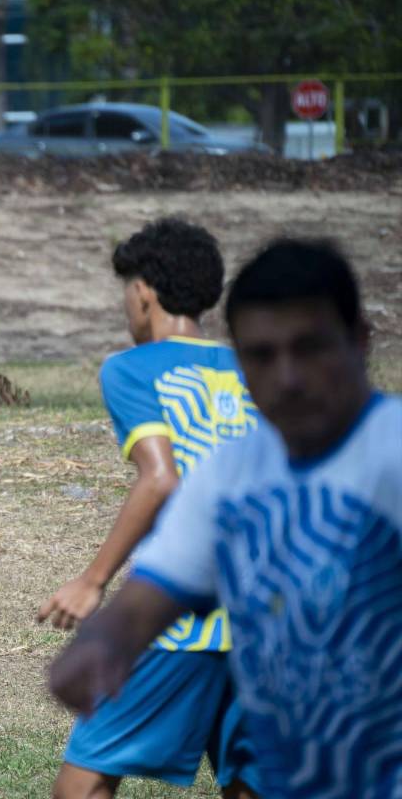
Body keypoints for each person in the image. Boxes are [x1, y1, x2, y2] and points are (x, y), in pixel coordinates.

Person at [48, 239, 401, 798]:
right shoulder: (233, 472)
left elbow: (159, 477)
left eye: (308, 348)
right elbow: (162, 586)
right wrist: (105, 642)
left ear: (359, 341)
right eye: (260, 356)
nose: (285, 377)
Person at [37, 218, 260, 797]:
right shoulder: (254, 371)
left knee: (83, 780)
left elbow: (160, 479)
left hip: (179, 613)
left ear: (144, 292)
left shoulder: (132, 368)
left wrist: (93, 580)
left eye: (126, 292)